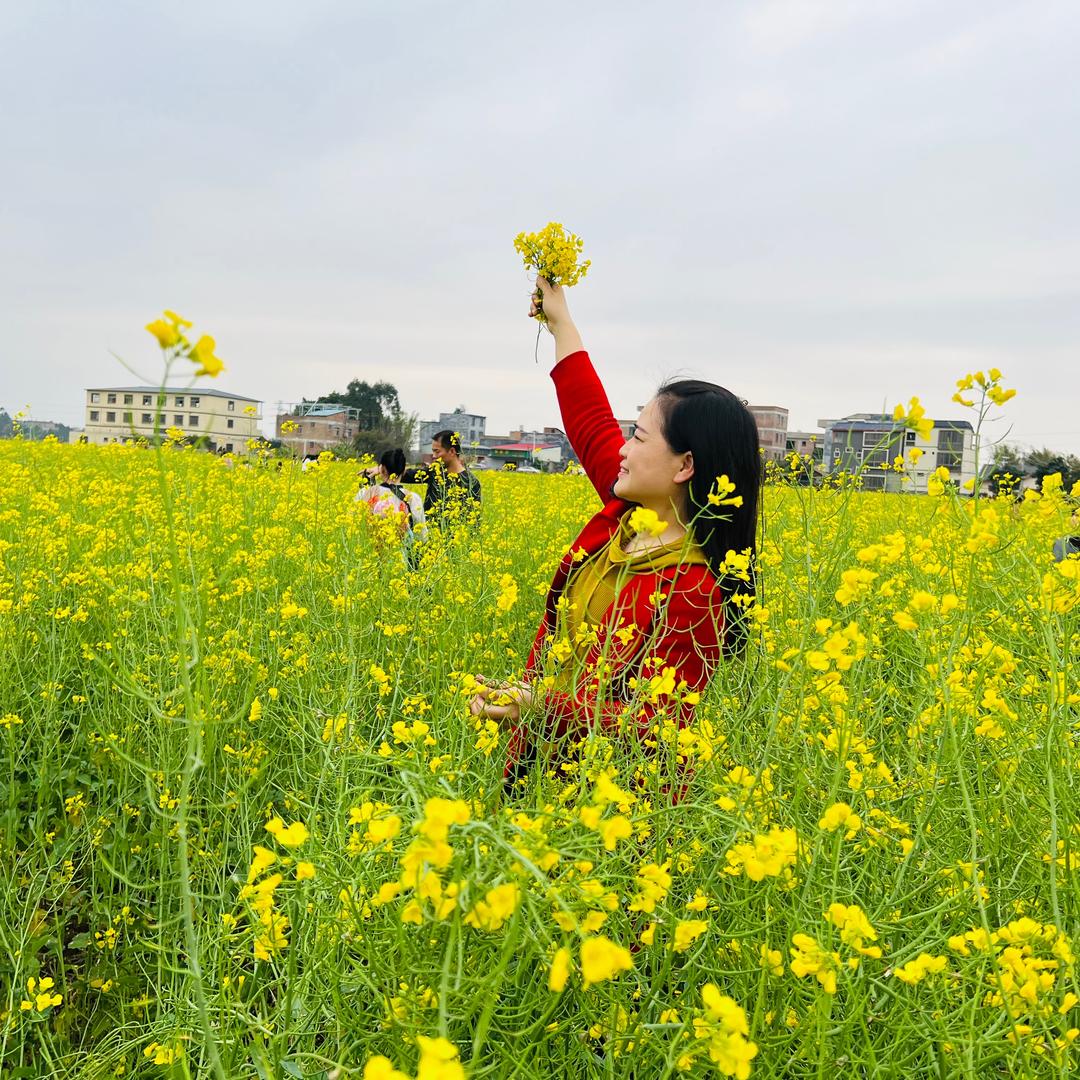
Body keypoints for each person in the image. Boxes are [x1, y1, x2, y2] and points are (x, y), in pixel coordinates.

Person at [470, 276, 761, 789]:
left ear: (684, 465)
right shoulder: (626, 512)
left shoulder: (694, 588)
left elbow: (661, 726)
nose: (623, 449)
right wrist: (560, 320)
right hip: (538, 765)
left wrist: (539, 705)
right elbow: (590, 421)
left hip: (612, 807)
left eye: (640, 436)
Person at [357, 448, 428, 561]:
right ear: (404, 470)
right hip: (399, 561)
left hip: (366, 559)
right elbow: (422, 537)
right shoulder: (412, 498)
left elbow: (354, 525)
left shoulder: (365, 493)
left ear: (382, 469)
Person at [406, 430, 482, 529]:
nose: (433, 456)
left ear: (452, 451)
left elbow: (474, 521)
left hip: (455, 540)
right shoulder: (435, 471)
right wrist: (387, 469)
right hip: (428, 538)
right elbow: (408, 475)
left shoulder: (471, 482)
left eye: (437, 451)